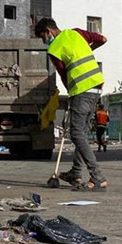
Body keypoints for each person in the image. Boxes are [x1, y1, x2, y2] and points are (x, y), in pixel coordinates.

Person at [34, 17, 108, 192]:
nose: (44, 41)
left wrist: (71, 94)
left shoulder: (54, 48)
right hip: (96, 86)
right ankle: (75, 172)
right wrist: (87, 51)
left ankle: (97, 177)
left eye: (42, 37)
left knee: (76, 134)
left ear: (48, 31)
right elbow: (102, 39)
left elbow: (63, 74)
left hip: (81, 90)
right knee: (81, 132)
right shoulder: (76, 33)